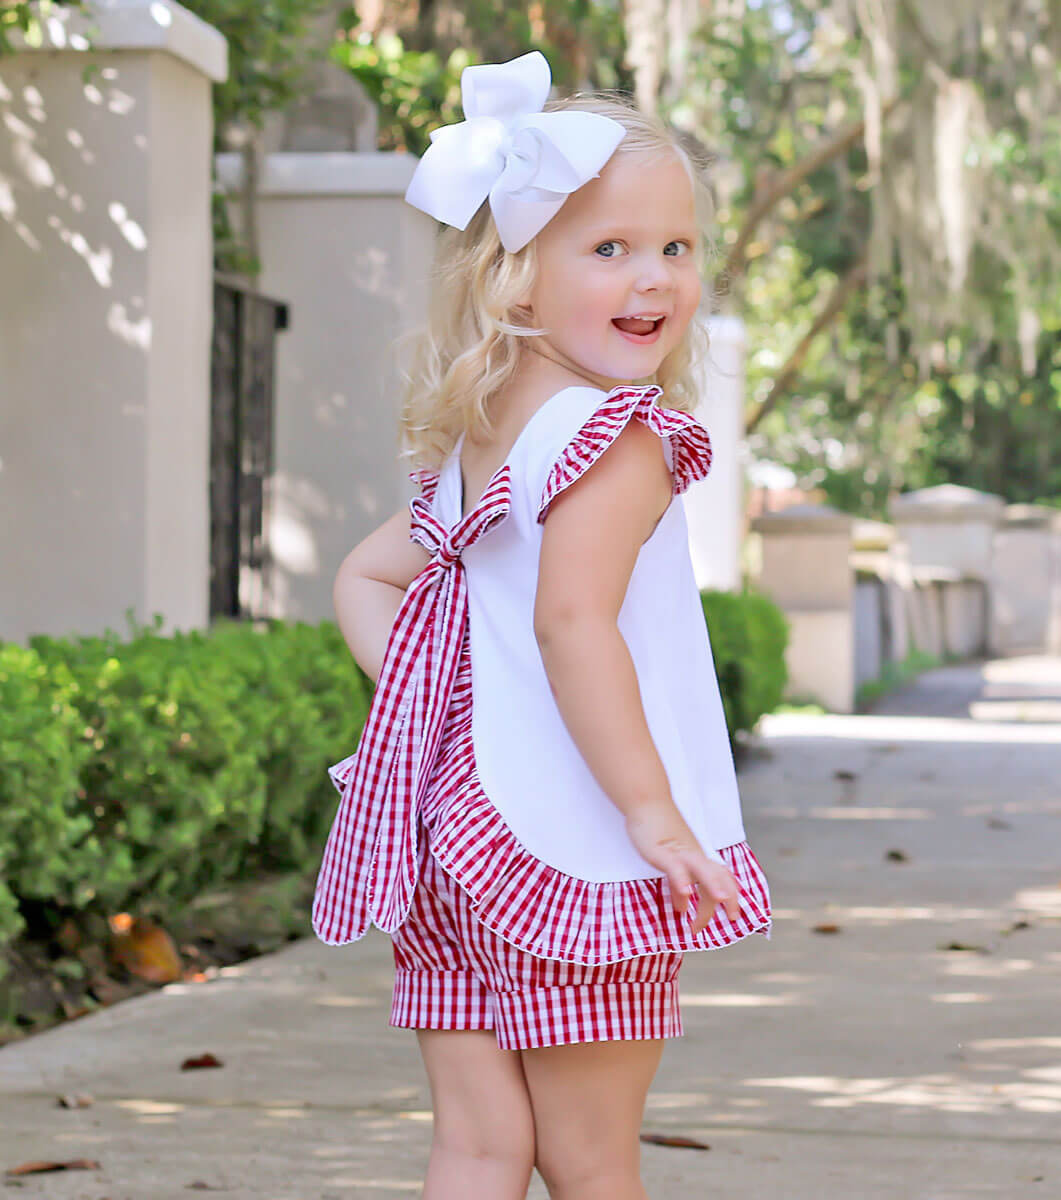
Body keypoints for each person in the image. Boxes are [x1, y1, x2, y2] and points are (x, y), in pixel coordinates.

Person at [312, 49, 772, 1200]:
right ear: (514, 275)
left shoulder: (488, 434)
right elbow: (575, 626)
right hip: (576, 852)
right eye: (608, 248)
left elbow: (368, 582)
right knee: (588, 1158)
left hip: (453, 843)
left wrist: (447, 704)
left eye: (677, 246)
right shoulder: (617, 437)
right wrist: (652, 811)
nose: (654, 277)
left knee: (476, 1148)